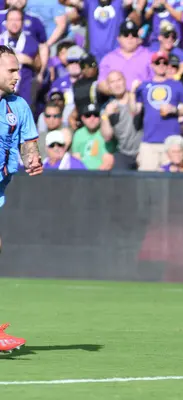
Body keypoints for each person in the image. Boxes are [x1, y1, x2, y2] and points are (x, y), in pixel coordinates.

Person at [0, 44, 43, 353]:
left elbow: (28, 142)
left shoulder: (20, 107)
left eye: (18, 69)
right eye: (11, 70)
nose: (18, 75)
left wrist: (33, 158)